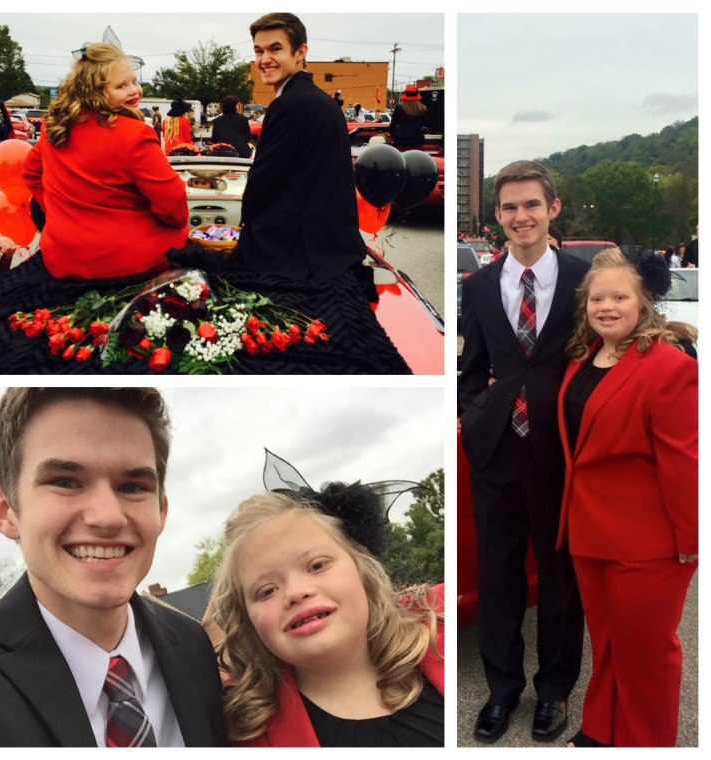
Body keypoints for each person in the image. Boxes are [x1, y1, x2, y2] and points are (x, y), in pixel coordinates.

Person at [0, 387, 226, 747]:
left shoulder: (193, 647)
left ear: (160, 512)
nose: (107, 517)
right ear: (4, 510)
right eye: (65, 482)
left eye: (132, 486)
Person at [458, 160, 588, 744]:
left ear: (552, 209)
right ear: (497, 217)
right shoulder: (479, 285)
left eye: (531, 204)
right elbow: (470, 368)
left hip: (561, 452)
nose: (520, 217)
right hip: (496, 453)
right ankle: (502, 689)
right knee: (500, 577)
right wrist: (472, 415)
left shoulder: (586, 281)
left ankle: (555, 689)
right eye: (509, 207)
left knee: (560, 579)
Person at [204, 452, 444, 747]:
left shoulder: (440, 625)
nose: (295, 593)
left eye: (317, 565)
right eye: (266, 591)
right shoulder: (243, 734)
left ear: (362, 568)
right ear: (247, 621)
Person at [557, 248, 697, 747]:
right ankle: (600, 730)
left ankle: (646, 744)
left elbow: (684, 461)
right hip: (590, 533)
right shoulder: (584, 358)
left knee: (648, 655)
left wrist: (692, 537)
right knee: (609, 644)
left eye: (620, 296)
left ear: (644, 303)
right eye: (598, 297)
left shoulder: (669, 367)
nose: (607, 306)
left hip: (649, 544)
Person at [23, 43, 188, 280]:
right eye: (121, 85)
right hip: (126, 261)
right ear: (94, 92)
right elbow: (173, 203)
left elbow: (30, 173)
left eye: (134, 81)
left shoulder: (58, 127)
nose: (134, 90)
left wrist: (61, 216)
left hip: (62, 256)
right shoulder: (135, 133)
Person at [239, 12, 367, 282]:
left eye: (276, 49)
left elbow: (263, 181)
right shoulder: (323, 101)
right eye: (259, 51)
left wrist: (244, 225)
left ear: (300, 52)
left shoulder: (287, 105)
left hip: (297, 253)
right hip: (331, 246)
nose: (264, 60)